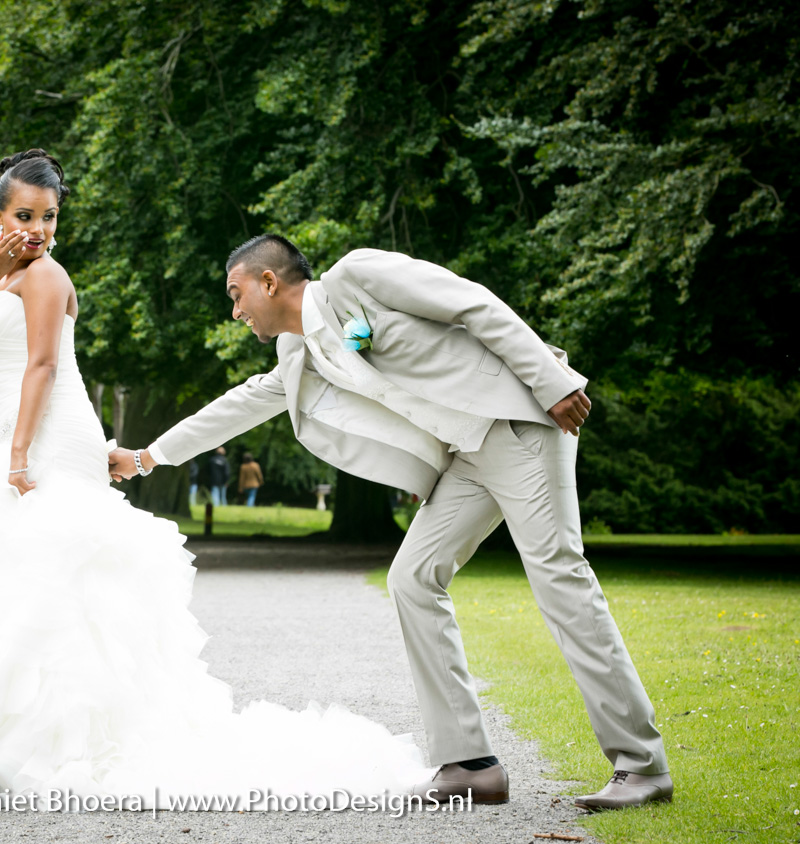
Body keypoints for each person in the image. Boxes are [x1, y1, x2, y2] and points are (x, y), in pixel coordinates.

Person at [0, 153, 432, 803]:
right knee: (3, 581)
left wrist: (19, 454)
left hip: (55, 436)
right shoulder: (1, 278)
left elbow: (44, 367)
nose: (38, 229)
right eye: (24, 216)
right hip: (23, 435)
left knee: (54, 582)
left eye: (49, 217)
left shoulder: (48, 277)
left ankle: (60, 746)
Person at [110, 234, 672, 811]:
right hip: (466, 459)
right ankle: (470, 765)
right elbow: (243, 402)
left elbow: (472, 303)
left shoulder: (359, 277)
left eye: (237, 294)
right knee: (412, 579)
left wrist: (552, 383)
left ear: (269, 282)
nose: (235, 311)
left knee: (559, 578)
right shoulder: (297, 355)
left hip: (520, 421)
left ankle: (641, 765)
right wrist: (148, 456)